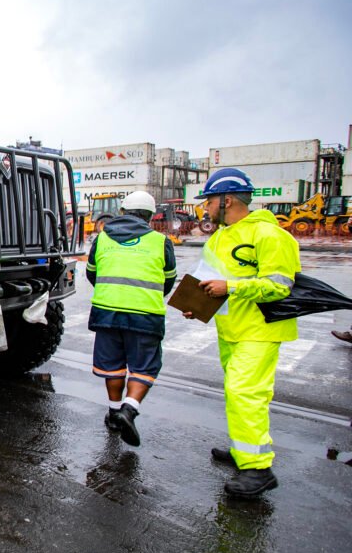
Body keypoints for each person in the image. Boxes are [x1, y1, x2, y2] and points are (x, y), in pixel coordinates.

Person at [185, 167, 300, 498]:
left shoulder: (271, 236)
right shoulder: (221, 237)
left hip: (260, 330)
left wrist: (230, 286)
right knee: (237, 394)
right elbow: (209, 280)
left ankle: (258, 470)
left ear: (227, 200)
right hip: (230, 328)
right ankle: (243, 451)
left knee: (246, 393)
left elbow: (280, 286)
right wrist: (197, 305)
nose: (204, 208)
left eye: (208, 202)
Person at [86, 190, 177, 447]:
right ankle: (129, 409)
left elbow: (92, 273)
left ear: (122, 212)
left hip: (107, 311)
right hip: (145, 314)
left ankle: (114, 413)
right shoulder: (161, 241)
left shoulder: (102, 238)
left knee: (112, 365)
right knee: (144, 367)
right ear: (150, 216)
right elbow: (168, 279)